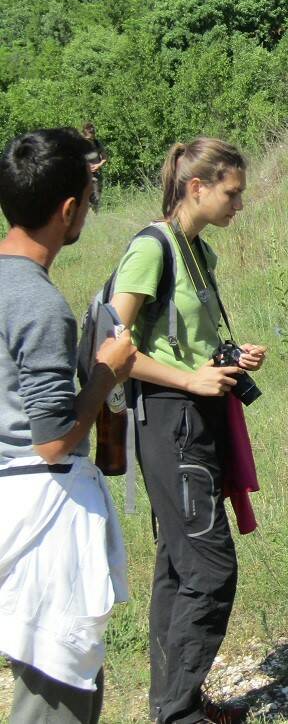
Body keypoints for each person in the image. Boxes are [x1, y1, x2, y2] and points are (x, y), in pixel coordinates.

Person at [108, 138, 268, 724]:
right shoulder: (151, 249)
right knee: (209, 567)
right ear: (196, 188)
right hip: (169, 423)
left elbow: (184, 341)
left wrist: (229, 358)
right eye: (232, 193)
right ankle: (178, 714)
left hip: (196, 421)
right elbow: (113, 349)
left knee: (179, 568)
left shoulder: (196, 250)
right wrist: (190, 379)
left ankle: (175, 705)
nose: (239, 205)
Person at [0, 128, 136, 724]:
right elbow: (53, 438)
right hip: (41, 520)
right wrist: (106, 373)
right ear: (68, 210)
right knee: (55, 701)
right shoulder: (39, 305)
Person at [80, 122, 107, 211]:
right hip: (83, 176)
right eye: (88, 138)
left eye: (92, 137)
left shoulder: (97, 143)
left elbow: (104, 158)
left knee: (96, 198)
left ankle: (95, 216)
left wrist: (98, 165)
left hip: (96, 175)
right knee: (84, 200)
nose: (90, 140)